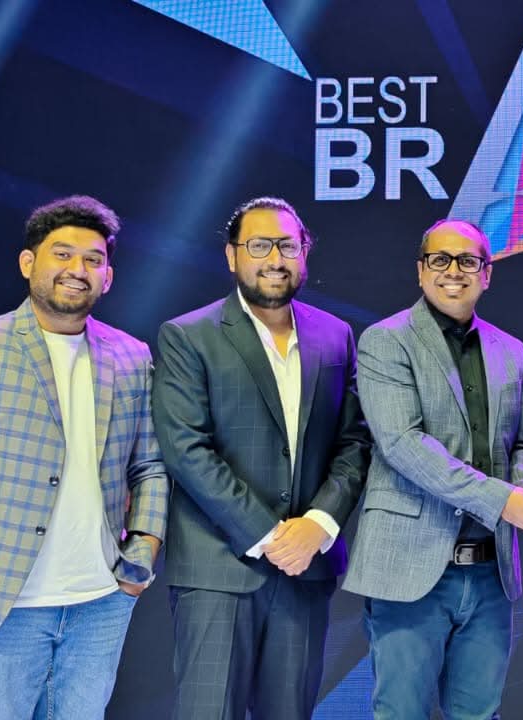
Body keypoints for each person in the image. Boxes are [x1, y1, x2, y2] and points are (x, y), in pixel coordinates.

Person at [0, 195, 167, 718]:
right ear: (29, 263)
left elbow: (151, 466)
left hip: (100, 599)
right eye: (62, 254)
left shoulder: (132, 355)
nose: (77, 269)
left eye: (92, 259)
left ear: (108, 277)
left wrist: (141, 556)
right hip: (1, 597)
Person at [152, 197, 370, 719]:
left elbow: (355, 442)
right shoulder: (188, 336)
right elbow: (186, 449)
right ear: (232, 256)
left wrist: (317, 526)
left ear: (305, 253)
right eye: (259, 245)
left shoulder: (335, 335)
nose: (275, 258)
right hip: (218, 569)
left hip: (305, 570)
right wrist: (272, 536)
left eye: (288, 246)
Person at [343, 219, 523, 719]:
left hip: (490, 573)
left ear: (487, 273)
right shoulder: (385, 341)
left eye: (468, 261)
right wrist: (503, 501)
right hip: (409, 569)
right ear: (421, 271)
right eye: (440, 260)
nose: (453, 271)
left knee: (479, 714)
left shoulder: (512, 350)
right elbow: (403, 444)